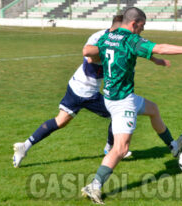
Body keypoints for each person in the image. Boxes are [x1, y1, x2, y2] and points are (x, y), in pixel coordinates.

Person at [81, 7, 182, 204]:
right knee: (121, 149)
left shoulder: (108, 36)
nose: (142, 30)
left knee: (153, 110)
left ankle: (173, 147)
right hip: (123, 102)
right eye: (142, 26)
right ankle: (95, 186)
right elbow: (160, 47)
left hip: (111, 96)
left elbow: (91, 53)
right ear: (133, 24)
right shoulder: (130, 40)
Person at [12, 15, 132, 168]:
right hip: (87, 92)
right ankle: (110, 149)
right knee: (117, 114)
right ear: (118, 28)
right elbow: (88, 56)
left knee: (60, 121)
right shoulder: (99, 37)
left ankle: (25, 146)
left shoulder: (116, 40)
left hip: (76, 85)